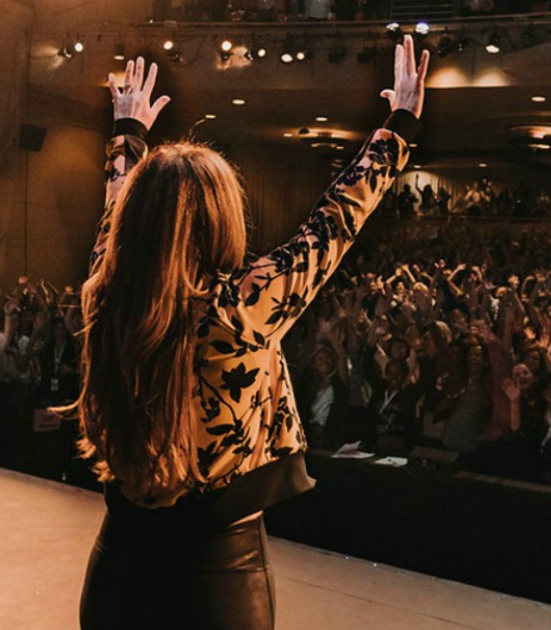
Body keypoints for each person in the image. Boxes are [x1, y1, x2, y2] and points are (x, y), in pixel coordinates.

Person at [73, 41, 428, 629]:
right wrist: (399, 127)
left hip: (119, 567)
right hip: (216, 576)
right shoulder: (238, 307)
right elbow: (334, 224)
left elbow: (118, 209)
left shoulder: (105, 295)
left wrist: (129, 135)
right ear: (220, 217)